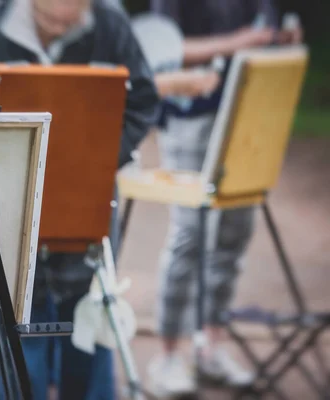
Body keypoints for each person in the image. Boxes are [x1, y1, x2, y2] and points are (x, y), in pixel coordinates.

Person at [0, 0, 160, 398]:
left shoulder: (110, 22)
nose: (58, 27)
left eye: (69, 19)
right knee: (17, 331)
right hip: (7, 212)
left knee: (87, 331)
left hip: (85, 212)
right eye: (48, 19)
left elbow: (143, 100)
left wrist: (100, 158)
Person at [146, 1, 304, 397]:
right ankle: (167, 354)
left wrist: (279, 40)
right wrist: (240, 42)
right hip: (189, 113)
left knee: (235, 233)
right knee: (190, 234)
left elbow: (265, 29)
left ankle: (209, 347)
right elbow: (167, 48)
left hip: (250, 107)